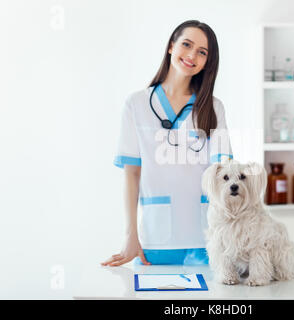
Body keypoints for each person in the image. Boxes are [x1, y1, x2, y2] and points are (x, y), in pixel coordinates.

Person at [101, 20, 233, 267]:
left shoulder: (213, 107)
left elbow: (223, 171)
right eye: (187, 44)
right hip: (155, 240)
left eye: (202, 52)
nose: (192, 55)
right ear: (171, 46)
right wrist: (131, 235)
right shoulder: (137, 104)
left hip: (207, 240)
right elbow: (132, 174)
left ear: (208, 62)